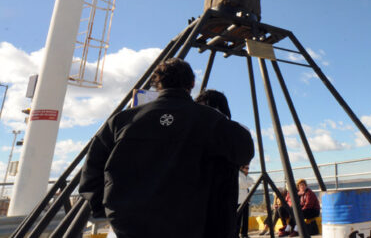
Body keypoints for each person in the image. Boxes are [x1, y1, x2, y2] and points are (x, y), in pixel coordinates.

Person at [79, 58, 254, 238]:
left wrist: (109, 211)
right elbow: (244, 152)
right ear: (192, 84)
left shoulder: (121, 121)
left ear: (157, 84)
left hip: (130, 226)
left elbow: (91, 172)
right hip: (195, 225)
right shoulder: (213, 121)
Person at [195, 89, 246, 238]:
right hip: (222, 211)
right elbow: (245, 156)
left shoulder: (195, 131)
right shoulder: (237, 131)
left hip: (200, 211)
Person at [237, 164, 254, 238]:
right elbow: (242, 184)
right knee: (238, 218)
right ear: (242, 168)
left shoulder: (245, 175)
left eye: (248, 168)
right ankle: (236, 234)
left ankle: (244, 234)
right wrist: (247, 182)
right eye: (246, 168)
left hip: (245, 200)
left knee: (245, 218)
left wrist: (247, 182)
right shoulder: (238, 174)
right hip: (239, 200)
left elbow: (252, 181)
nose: (248, 170)